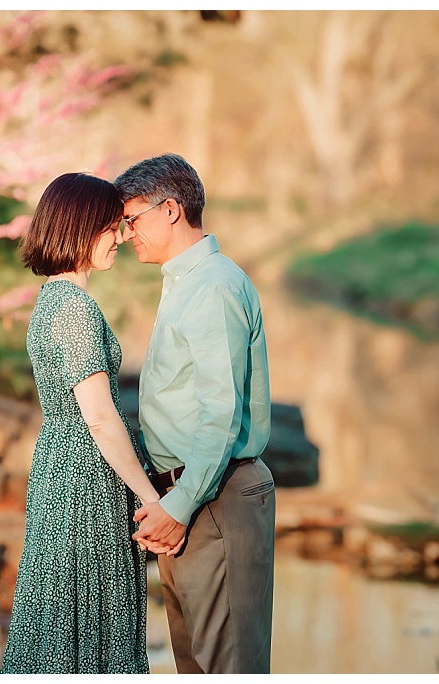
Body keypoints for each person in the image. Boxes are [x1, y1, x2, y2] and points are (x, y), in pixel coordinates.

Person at [113, 154, 275, 674]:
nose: (125, 233)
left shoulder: (213, 287)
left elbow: (220, 415)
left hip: (215, 496)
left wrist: (178, 505)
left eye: (132, 219)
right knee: (196, 667)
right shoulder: (184, 282)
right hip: (187, 498)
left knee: (227, 668)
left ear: (172, 209)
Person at [0, 172, 161, 674]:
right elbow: (98, 415)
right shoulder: (72, 308)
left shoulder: (53, 300)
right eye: (111, 228)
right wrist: (151, 496)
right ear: (79, 228)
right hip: (84, 483)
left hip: (62, 472)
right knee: (84, 619)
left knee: (63, 620)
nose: (120, 237)